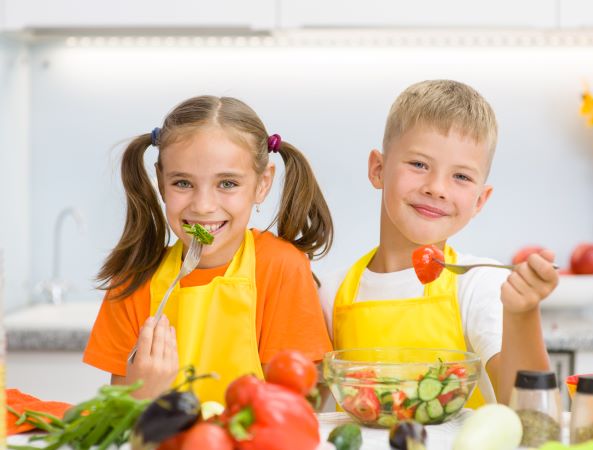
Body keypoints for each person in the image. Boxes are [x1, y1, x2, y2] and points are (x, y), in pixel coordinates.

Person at [319, 80, 558, 406]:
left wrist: (523, 313)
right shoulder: (330, 292)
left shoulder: (479, 285)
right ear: (378, 169)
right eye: (419, 164)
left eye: (461, 176)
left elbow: (532, 412)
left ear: (479, 200)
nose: (437, 188)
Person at [84, 95, 334, 402]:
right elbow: (123, 416)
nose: (203, 206)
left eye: (227, 183)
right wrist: (145, 395)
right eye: (183, 183)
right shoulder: (132, 279)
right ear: (161, 182)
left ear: (262, 183)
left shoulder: (281, 267)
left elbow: (300, 407)